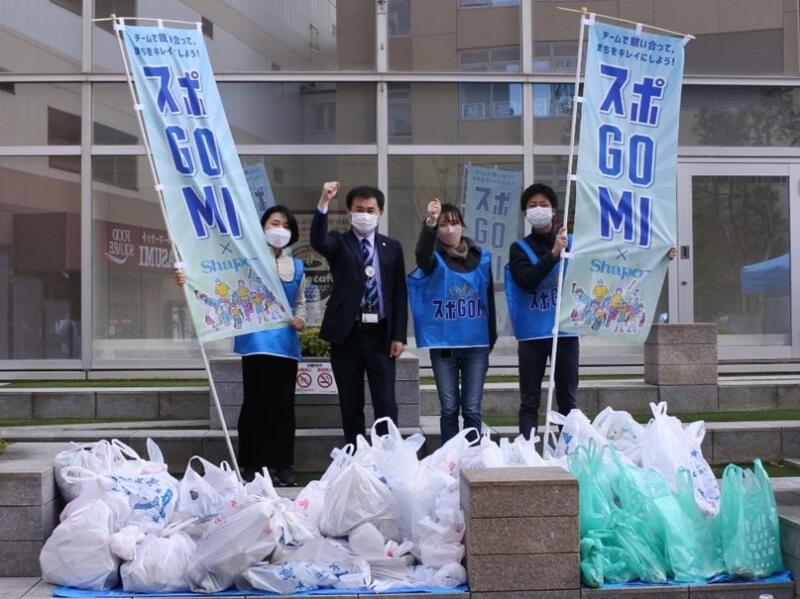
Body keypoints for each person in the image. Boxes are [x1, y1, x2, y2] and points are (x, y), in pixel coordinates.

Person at [507, 183, 677, 440]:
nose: (538, 210)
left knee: (567, 399)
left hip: (566, 332)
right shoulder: (520, 249)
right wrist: (554, 254)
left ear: (555, 211)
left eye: (544, 205)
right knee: (530, 400)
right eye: (532, 206)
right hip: (533, 335)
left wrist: (659, 252)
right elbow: (525, 280)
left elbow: (616, 256)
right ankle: (529, 453)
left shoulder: (576, 243)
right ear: (524, 213)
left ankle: (567, 450)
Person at [176, 205, 306, 486]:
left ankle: (283, 466)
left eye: (285, 225)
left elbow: (300, 301)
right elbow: (217, 285)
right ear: (262, 229)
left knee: (283, 408)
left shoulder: (296, 266)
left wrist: (301, 318)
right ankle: (252, 465)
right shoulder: (244, 262)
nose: (279, 230)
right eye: (274, 223)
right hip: (255, 343)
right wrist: (187, 280)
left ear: (292, 232)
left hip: (285, 346)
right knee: (255, 407)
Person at [310, 181, 408, 446]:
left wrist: (399, 335)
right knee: (351, 403)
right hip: (347, 335)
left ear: (380, 213)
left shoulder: (392, 247)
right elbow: (318, 242)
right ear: (349, 211)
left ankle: (388, 456)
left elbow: (399, 292)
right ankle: (355, 458)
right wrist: (323, 201)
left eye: (371, 209)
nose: (365, 214)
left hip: (381, 335)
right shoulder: (339, 242)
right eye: (359, 209)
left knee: (385, 402)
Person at [409, 199, 496, 444]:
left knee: (471, 408)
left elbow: (487, 297)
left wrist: (491, 338)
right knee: (448, 408)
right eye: (444, 224)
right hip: (444, 345)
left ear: (463, 226)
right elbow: (421, 254)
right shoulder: (432, 259)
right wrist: (431, 223)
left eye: (455, 223)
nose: (450, 229)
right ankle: (448, 460)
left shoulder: (482, 257)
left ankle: (472, 457)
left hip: (476, 345)